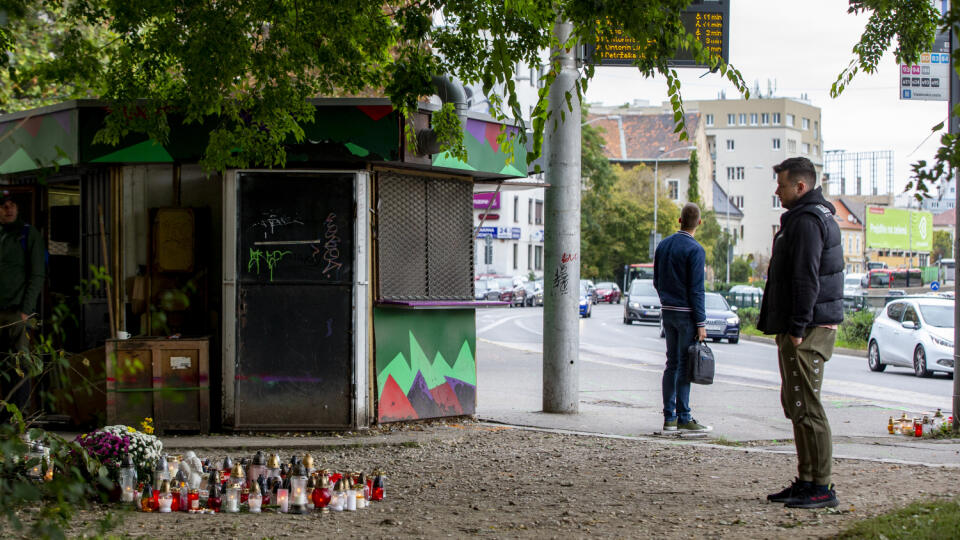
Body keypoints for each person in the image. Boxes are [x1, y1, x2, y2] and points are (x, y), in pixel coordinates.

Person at [758, 157, 843, 509]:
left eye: (781, 185)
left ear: (801, 187)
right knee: (797, 404)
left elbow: (806, 278)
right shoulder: (810, 217)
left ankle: (820, 486)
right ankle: (807, 480)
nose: (777, 190)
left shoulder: (808, 221)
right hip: (804, 325)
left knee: (807, 407)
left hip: (807, 328)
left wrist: (795, 328)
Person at [653, 202, 711, 432]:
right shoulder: (695, 250)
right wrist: (701, 323)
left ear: (679, 220)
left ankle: (669, 417)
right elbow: (697, 289)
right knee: (685, 366)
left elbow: (656, 281)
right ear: (699, 223)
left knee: (671, 363)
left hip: (668, 312)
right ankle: (684, 417)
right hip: (687, 315)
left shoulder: (664, 246)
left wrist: (667, 301)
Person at [0, 190, 45, 418]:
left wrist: (26, 310)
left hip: (17, 312)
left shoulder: (27, 234)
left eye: (11, 205)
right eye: (3, 205)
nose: (8, 209)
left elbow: (37, 274)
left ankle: (19, 417)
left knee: (19, 363)